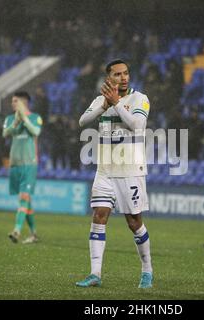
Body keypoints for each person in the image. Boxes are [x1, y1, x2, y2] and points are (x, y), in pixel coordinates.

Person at [76, 59, 153, 288]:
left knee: (134, 222)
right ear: (109, 78)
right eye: (118, 74)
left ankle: (147, 269)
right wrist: (104, 106)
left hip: (130, 169)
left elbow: (138, 126)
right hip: (105, 169)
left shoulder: (140, 99)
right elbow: (83, 121)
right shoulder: (101, 100)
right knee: (99, 216)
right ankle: (95, 273)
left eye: (126, 73)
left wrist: (117, 103)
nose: (124, 77)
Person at [3, 92, 43, 244]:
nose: (12, 104)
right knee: (26, 202)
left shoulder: (35, 118)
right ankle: (34, 234)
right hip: (15, 164)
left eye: (15, 101)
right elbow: (5, 133)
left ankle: (17, 230)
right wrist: (15, 123)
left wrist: (24, 119)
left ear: (23, 102)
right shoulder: (9, 119)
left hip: (29, 163)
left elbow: (36, 132)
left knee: (23, 198)